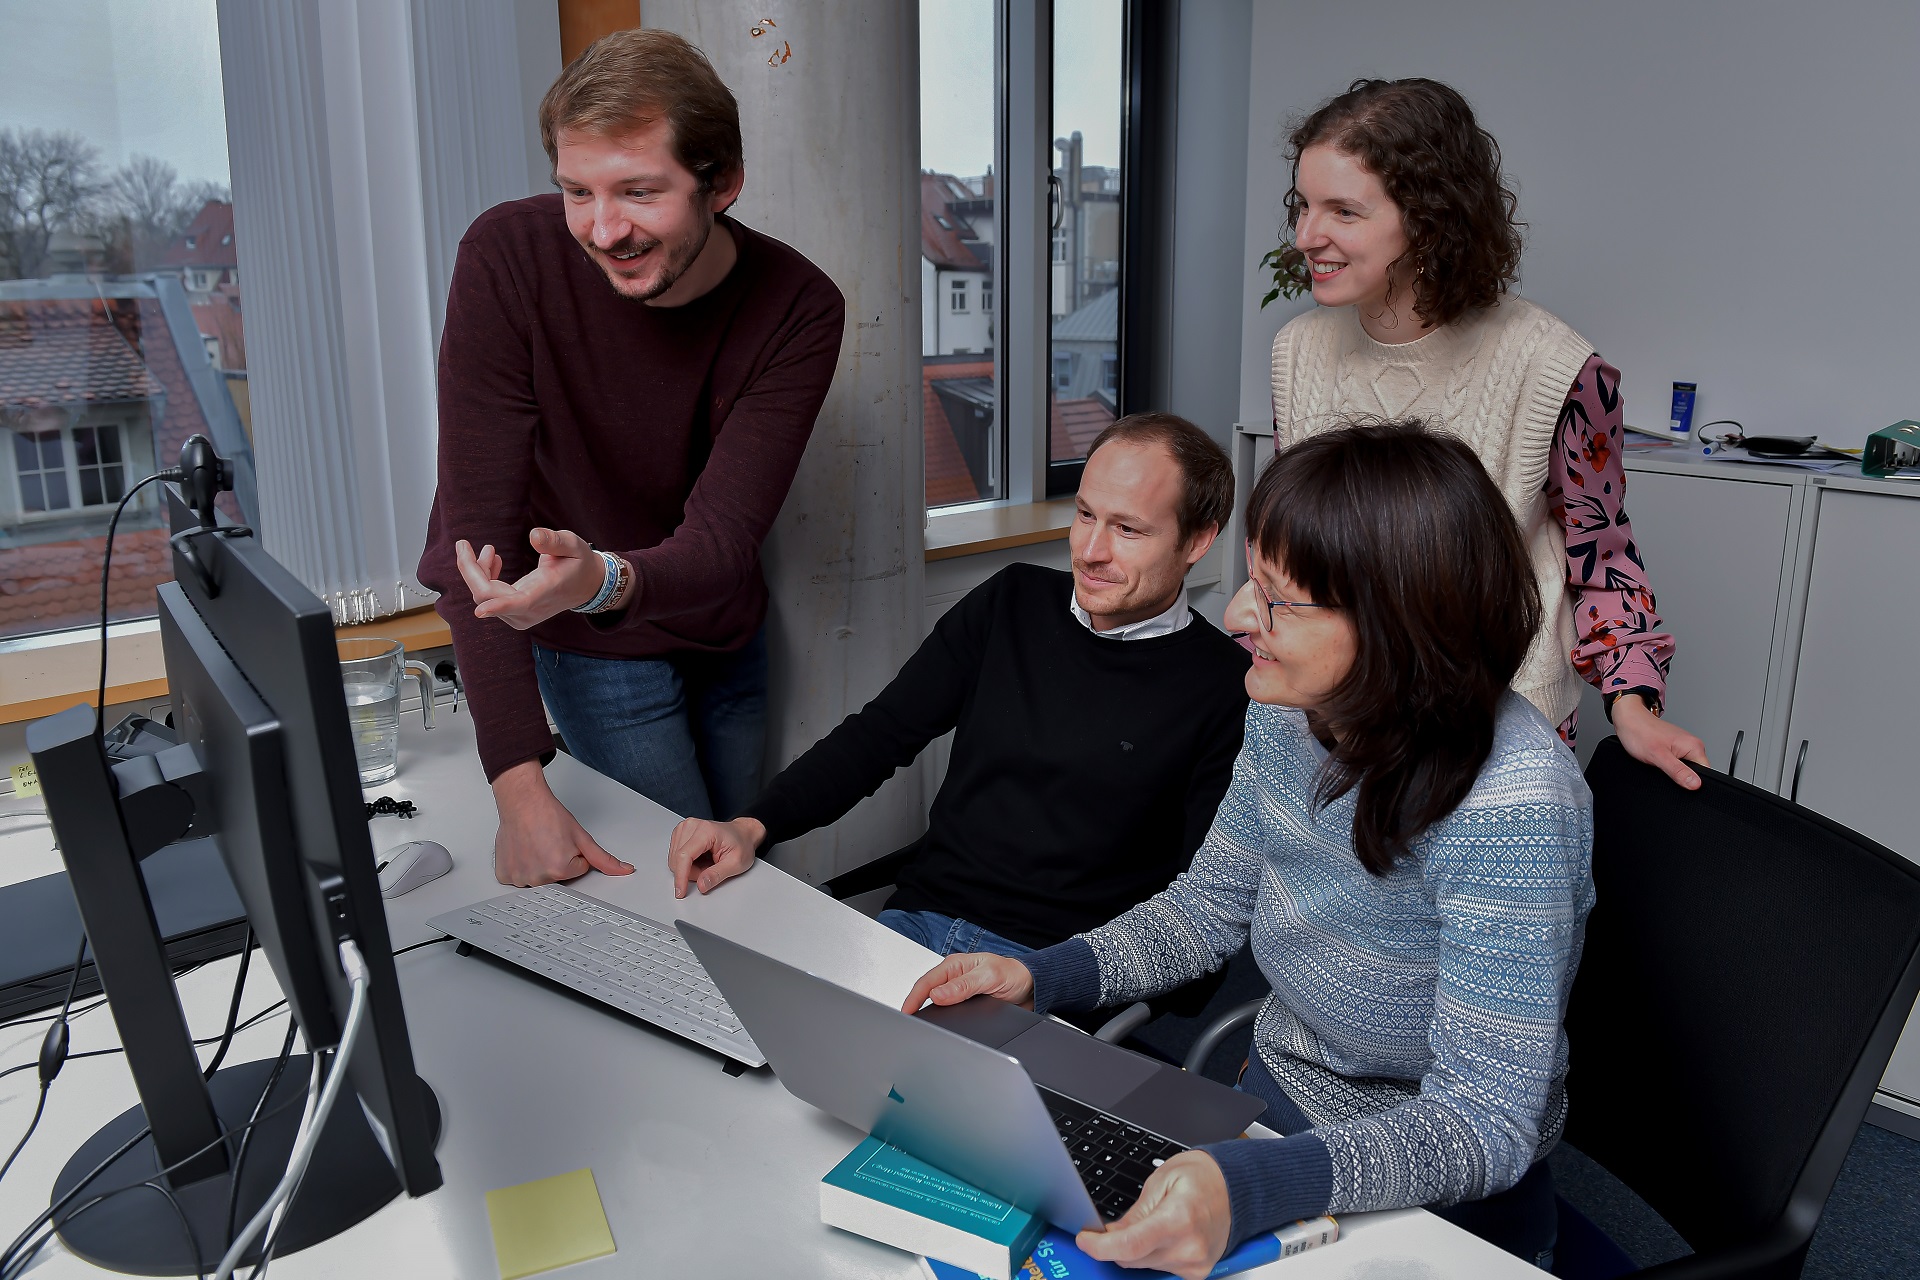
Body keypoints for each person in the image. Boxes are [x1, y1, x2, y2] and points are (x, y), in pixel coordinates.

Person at [906, 421, 1594, 1277]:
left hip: (1434, 1193)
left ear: (1399, 626)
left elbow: (1485, 1123)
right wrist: (1044, 975)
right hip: (1269, 1106)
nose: (1236, 616)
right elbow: (1206, 910)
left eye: (1278, 600)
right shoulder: (1287, 709)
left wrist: (1255, 1184)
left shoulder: (1513, 807)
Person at [416, 30, 845, 887]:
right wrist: (517, 787)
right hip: (591, 651)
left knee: (743, 875)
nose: (603, 229)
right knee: (673, 896)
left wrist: (603, 579)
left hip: (723, 630)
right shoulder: (508, 258)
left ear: (721, 184)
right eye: (577, 191)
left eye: (638, 192)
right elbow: (479, 544)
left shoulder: (798, 306)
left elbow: (721, 541)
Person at [666, 414, 1251, 958]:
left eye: (1127, 529)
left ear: (1198, 541)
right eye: (1084, 515)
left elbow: (1201, 902)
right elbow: (880, 734)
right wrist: (752, 824)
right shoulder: (1013, 600)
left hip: (1053, 966)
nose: (1090, 551)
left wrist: (1063, 981)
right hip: (921, 922)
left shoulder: (1224, 686)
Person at [1265, 77, 1708, 787]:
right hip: (1335, 717)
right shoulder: (1298, 351)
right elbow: (1295, 546)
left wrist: (1633, 704)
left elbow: (1602, 556)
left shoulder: (1557, 367)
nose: (1305, 237)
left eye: (1342, 211)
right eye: (1304, 205)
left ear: (1428, 218)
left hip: (1493, 728)